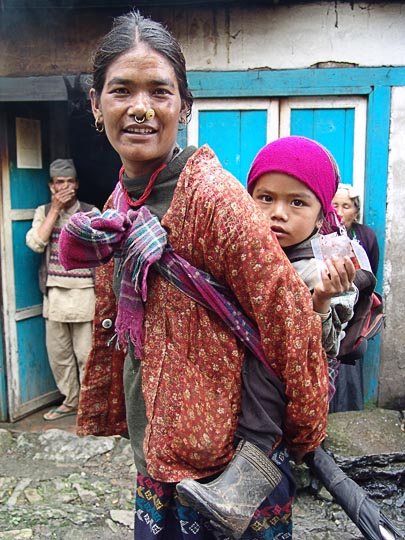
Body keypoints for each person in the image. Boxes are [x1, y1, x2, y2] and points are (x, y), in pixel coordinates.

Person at [58, 11, 329, 540]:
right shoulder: (120, 206)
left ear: (184, 107)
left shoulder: (211, 199)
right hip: (159, 455)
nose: (140, 108)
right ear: (96, 105)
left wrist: (299, 436)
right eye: (121, 91)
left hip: (227, 470)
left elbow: (289, 316)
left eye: (160, 92)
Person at [176, 136, 358, 536]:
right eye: (264, 197)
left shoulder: (320, 270)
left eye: (297, 202)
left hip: (275, 410)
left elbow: (325, 348)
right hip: (225, 405)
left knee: (266, 365)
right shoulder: (243, 254)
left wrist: (323, 300)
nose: (278, 214)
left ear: (320, 212)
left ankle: (242, 488)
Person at [26, 158, 97, 421]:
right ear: (51, 186)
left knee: (86, 355)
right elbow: (36, 243)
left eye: (69, 182)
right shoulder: (44, 211)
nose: (65, 187)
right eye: (59, 183)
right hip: (55, 294)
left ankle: (90, 408)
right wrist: (55, 210)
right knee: (60, 356)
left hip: (84, 293)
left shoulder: (90, 212)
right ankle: (70, 402)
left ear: (77, 184)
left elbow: (101, 250)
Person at [329, 183, 380, 412]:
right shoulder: (324, 233)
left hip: (355, 313)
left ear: (355, 210)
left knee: (348, 364)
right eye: (335, 204)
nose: (340, 210)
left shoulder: (365, 236)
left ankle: (348, 411)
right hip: (330, 309)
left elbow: (372, 275)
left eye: (346, 206)